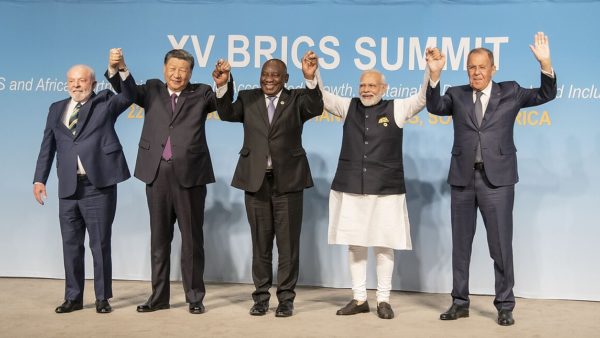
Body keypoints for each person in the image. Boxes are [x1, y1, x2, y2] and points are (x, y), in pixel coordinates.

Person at [427, 32, 556, 326]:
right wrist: (433, 77)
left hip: (497, 182)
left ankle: (504, 305)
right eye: (471, 67)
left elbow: (546, 94)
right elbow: (434, 107)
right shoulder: (456, 94)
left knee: (500, 246)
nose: (476, 72)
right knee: (460, 246)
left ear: (493, 68)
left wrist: (546, 64)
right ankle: (460, 302)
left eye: (482, 66)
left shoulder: (510, 91)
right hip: (462, 180)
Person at [304, 49, 439, 319]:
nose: (366, 90)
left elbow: (423, 98)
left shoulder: (397, 109)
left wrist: (432, 72)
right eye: (363, 85)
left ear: (383, 88)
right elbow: (322, 97)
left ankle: (384, 300)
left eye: (372, 85)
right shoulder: (347, 106)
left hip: (386, 190)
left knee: (383, 243)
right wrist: (312, 75)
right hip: (351, 186)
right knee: (355, 243)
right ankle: (359, 298)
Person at [105, 49, 230, 314]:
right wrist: (121, 67)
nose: (177, 74)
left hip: (191, 176)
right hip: (157, 173)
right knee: (159, 239)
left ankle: (195, 297)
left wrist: (223, 84)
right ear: (164, 69)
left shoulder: (202, 92)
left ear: (191, 73)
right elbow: (126, 91)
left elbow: (224, 106)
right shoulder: (151, 89)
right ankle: (159, 297)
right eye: (172, 68)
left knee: (192, 241)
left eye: (183, 69)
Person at [215, 53, 323, 317]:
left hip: (288, 183)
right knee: (260, 244)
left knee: (287, 246)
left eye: (275, 75)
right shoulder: (247, 98)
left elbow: (315, 107)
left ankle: (286, 299)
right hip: (256, 182)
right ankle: (260, 298)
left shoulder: (297, 99)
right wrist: (222, 85)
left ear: (285, 79)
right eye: (265, 74)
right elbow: (226, 112)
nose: (269, 78)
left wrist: (310, 78)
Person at [33, 49, 135, 314]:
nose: (76, 85)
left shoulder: (105, 102)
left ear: (93, 83)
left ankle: (102, 298)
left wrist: (121, 68)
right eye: (72, 81)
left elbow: (129, 96)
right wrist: (39, 179)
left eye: (82, 80)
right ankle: (73, 297)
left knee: (100, 244)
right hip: (67, 187)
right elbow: (47, 147)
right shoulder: (56, 108)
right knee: (70, 245)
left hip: (97, 186)